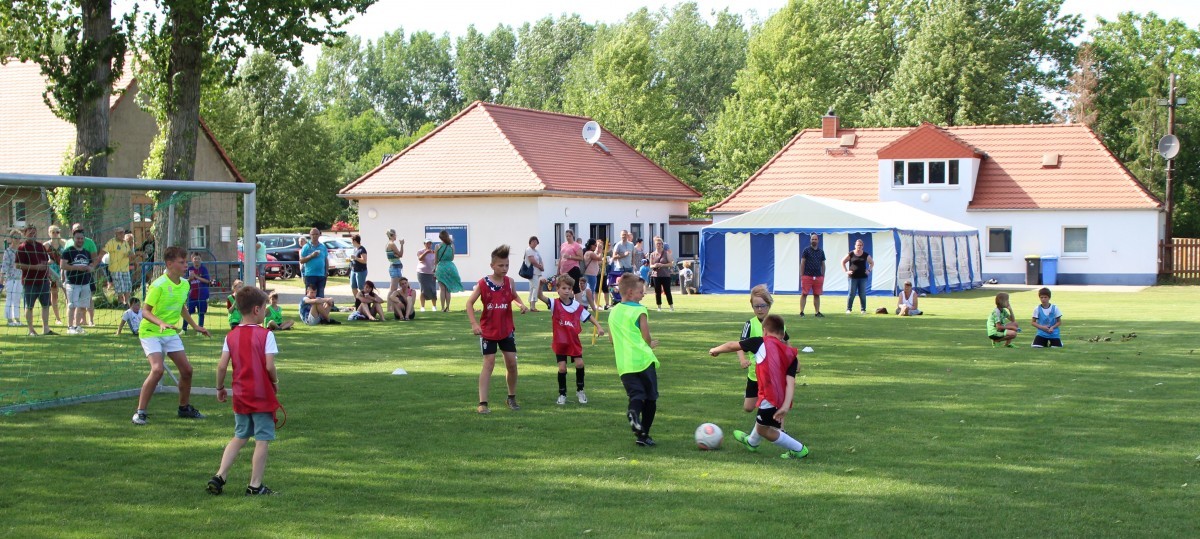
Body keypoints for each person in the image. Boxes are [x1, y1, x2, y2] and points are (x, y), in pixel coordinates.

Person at [207, 285, 281, 496]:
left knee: (240, 436)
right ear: (257, 310)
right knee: (262, 439)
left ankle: (220, 475)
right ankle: (255, 485)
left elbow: (222, 366)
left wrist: (220, 387)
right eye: (265, 307)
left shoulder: (231, 336)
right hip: (261, 395)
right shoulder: (266, 335)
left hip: (240, 394)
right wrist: (275, 381)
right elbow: (269, 366)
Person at [709, 314, 810, 459]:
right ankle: (751, 443)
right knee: (761, 421)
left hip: (770, 397)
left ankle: (799, 449)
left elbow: (732, 345)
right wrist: (786, 405)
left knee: (765, 430)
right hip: (780, 398)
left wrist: (715, 349)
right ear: (782, 335)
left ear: (764, 331)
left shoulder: (760, 342)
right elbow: (790, 382)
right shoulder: (790, 354)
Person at [133, 246, 210, 425]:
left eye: (186, 262)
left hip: (170, 332)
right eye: (182, 262)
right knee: (158, 370)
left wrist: (195, 326)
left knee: (187, 370)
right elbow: (145, 312)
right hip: (151, 332)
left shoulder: (184, 284)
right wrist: (159, 322)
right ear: (169, 264)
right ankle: (140, 412)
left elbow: (181, 307)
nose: (186, 265)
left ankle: (184, 408)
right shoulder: (158, 285)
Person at [466, 245, 528, 414]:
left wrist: (521, 304)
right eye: (501, 265)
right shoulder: (483, 283)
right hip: (488, 331)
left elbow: (513, 296)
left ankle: (511, 397)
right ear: (492, 265)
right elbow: (469, 303)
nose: (505, 269)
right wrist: (474, 324)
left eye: (507, 265)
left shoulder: (510, 282)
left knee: (512, 363)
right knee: (489, 364)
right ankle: (483, 403)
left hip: (506, 330)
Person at [537, 274, 604, 405]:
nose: (566, 290)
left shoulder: (577, 306)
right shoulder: (554, 304)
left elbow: (589, 316)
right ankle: (562, 394)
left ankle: (580, 390)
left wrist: (599, 327)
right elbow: (540, 296)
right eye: (563, 288)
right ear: (558, 289)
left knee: (580, 364)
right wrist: (540, 285)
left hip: (573, 342)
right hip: (560, 342)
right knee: (562, 368)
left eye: (569, 288)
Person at [610, 273, 660, 447]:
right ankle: (643, 434)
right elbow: (646, 336)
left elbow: (611, 339)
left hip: (624, 364)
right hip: (643, 360)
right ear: (630, 293)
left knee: (636, 395)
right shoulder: (640, 310)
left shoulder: (613, 311)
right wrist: (650, 344)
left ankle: (633, 413)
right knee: (651, 398)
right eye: (641, 292)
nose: (643, 295)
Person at [736, 285, 790, 415]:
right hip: (754, 374)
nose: (760, 309)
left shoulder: (777, 323)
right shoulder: (749, 324)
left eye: (763, 306)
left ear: (769, 305)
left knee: (774, 404)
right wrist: (743, 359)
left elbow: (786, 343)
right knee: (748, 407)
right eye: (756, 306)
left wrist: (791, 361)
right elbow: (739, 345)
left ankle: (780, 431)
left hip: (773, 373)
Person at [15, 225, 54, 336]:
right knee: (29, 306)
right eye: (30, 233)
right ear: (25, 234)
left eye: (35, 233)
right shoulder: (22, 248)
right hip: (29, 282)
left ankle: (46, 328)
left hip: (43, 281)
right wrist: (35, 267)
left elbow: (46, 261)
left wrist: (48, 273)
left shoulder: (40, 246)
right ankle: (31, 330)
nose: (33, 235)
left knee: (46, 305)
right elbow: (17, 265)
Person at [60, 228, 96, 335]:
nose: (80, 240)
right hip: (72, 283)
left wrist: (91, 268)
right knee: (72, 305)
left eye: (81, 238)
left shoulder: (86, 252)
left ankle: (77, 326)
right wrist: (77, 268)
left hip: (85, 282)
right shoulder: (68, 251)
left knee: (81, 306)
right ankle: (70, 327)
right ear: (73, 238)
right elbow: (63, 265)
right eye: (77, 238)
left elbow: (91, 265)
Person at [840, 238, 873, 314]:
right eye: (858, 245)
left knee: (862, 294)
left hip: (862, 277)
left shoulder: (865, 255)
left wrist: (869, 270)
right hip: (853, 277)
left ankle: (863, 309)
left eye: (860, 245)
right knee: (851, 293)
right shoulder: (851, 254)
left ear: (863, 246)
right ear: (855, 245)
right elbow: (842, 262)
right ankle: (848, 309)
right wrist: (846, 271)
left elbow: (872, 263)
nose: (859, 247)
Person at [433, 229, 463, 312]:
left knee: (442, 289)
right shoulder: (452, 246)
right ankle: (448, 307)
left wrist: (434, 270)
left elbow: (435, 260)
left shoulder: (437, 246)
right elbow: (452, 258)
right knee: (448, 289)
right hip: (450, 267)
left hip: (441, 267)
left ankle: (442, 308)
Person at [103, 227, 133, 307]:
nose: (122, 234)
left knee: (128, 285)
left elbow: (130, 253)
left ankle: (126, 303)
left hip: (125, 268)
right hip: (115, 268)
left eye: (123, 232)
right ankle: (120, 302)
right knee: (120, 285)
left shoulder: (126, 243)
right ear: (116, 234)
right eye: (120, 233)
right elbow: (104, 251)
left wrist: (130, 254)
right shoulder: (111, 242)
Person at [799, 233, 826, 318]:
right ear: (810, 240)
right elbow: (802, 263)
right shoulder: (806, 250)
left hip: (818, 276)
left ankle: (817, 312)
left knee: (817, 295)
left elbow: (823, 264)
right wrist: (802, 275)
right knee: (804, 294)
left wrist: (823, 275)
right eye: (812, 239)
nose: (814, 240)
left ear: (818, 240)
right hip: (807, 276)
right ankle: (801, 312)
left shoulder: (821, 252)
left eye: (815, 239)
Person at [299, 227, 329, 300]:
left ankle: (319, 311)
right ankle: (308, 311)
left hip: (321, 275)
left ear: (319, 235)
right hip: (310, 275)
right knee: (310, 296)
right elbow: (301, 260)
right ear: (310, 235)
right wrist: (311, 256)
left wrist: (326, 271)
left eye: (316, 234)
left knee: (320, 296)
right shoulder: (306, 247)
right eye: (313, 234)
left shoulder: (323, 247)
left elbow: (326, 259)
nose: (315, 236)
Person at [183, 253, 211, 333]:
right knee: (188, 312)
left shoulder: (203, 269)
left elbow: (207, 281)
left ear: (201, 260)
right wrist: (190, 279)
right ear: (192, 260)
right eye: (195, 259)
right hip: (192, 295)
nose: (197, 260)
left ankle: (200, 330)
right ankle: (184, 329)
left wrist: (197, 276)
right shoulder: (189, 269)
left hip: (202, 295)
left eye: (198, 259)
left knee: (201, 313)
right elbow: (185, 281)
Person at [44, 225, 66, 325]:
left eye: (57, 232)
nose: (55, 234)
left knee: (67, 293)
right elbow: (41, 260)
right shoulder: (46, 246)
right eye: (53, 232)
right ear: (49, 233)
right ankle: (58, 318)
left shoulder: (64, 243)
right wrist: (48, 262)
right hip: (52, 273)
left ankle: (70, 315)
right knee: (54, 293)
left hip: (64, 271)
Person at [3, 229, 23, 326]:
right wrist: (2, 277)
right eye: (15, 238)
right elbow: (5, 266)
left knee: (17, 298)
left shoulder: (21, 250)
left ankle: (17, 318)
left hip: (20, 278)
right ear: (11, 238)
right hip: (11, 278)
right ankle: (9, 319)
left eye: (19, 238)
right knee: (9, 298)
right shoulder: (8, 251)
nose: (17, 240)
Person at [649, 236, 674, 312]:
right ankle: (659, 307)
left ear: (662, 244)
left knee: (667, 291)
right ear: (655, 244)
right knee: (657, 291)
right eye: (657, 244)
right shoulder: (652, 254)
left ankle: (671, 306)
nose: (658, 245)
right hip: (656, 275)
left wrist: (662, 265)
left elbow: (671, 263)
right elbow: (650, 265)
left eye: (660, 243)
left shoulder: (666, 253)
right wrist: (654, 265)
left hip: (665, 275)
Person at [558, 229, 585, 294]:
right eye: (567, 236)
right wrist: (558, 268)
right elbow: (561, 257)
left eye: (569, 236)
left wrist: (570, 256)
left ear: (573, 236)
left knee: (575, 287)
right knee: (564, 286)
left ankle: (578, 303)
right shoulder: (563, 245)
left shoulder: (576, 245)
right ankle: (567, 301)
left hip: (573, 268)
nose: (568, 238)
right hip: (564, 270)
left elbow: (581, 258)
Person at [415, 238, 437, 312]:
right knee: (423, 289)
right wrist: (426, 252)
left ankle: (434, 306)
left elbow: (436, 262)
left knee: (433, 289)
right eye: (427, 243)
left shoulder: (434, 252)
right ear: (424, 244)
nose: (428, 245)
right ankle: (422, 307)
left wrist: (435, 270)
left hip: (431, 273)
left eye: (430, 243)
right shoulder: (420, 251)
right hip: (422, 273)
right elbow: (420, 259)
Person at [523, 236, 544, 311]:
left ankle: (531, 305)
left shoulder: (536, 251)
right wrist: (540, 266)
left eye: (536, 241)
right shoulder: (529, 250)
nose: (535, 243)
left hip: (537, 272)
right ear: (530, 242)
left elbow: (540, 260)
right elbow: (532, 260)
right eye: (533, 241)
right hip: (532, 272)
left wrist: (542, 267)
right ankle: (533, 305)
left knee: (532, 288)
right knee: (535, 287)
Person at [384, 229, 405, 300]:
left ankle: (392, 306)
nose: (396, 236)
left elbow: (395, 255)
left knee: (395, 288)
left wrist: (397, 255)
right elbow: (400, 254)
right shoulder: (391, 244)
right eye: (395, 235)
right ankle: (389, 307)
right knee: (393, 289)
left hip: (395, 267)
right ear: (392, 235)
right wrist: (402, 244)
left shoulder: (388, 244)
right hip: (395, 268)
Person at [349, 234, 368, 299]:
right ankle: (357, 301)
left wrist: (356, 258)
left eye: (352, 241)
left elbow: (364, 260)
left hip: (361, 271)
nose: (351, 243)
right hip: (354, 270)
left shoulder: (362, 249)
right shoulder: (355, 249)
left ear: (355, 241)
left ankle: (365, 301)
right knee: (353, 286)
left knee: (361, 287)